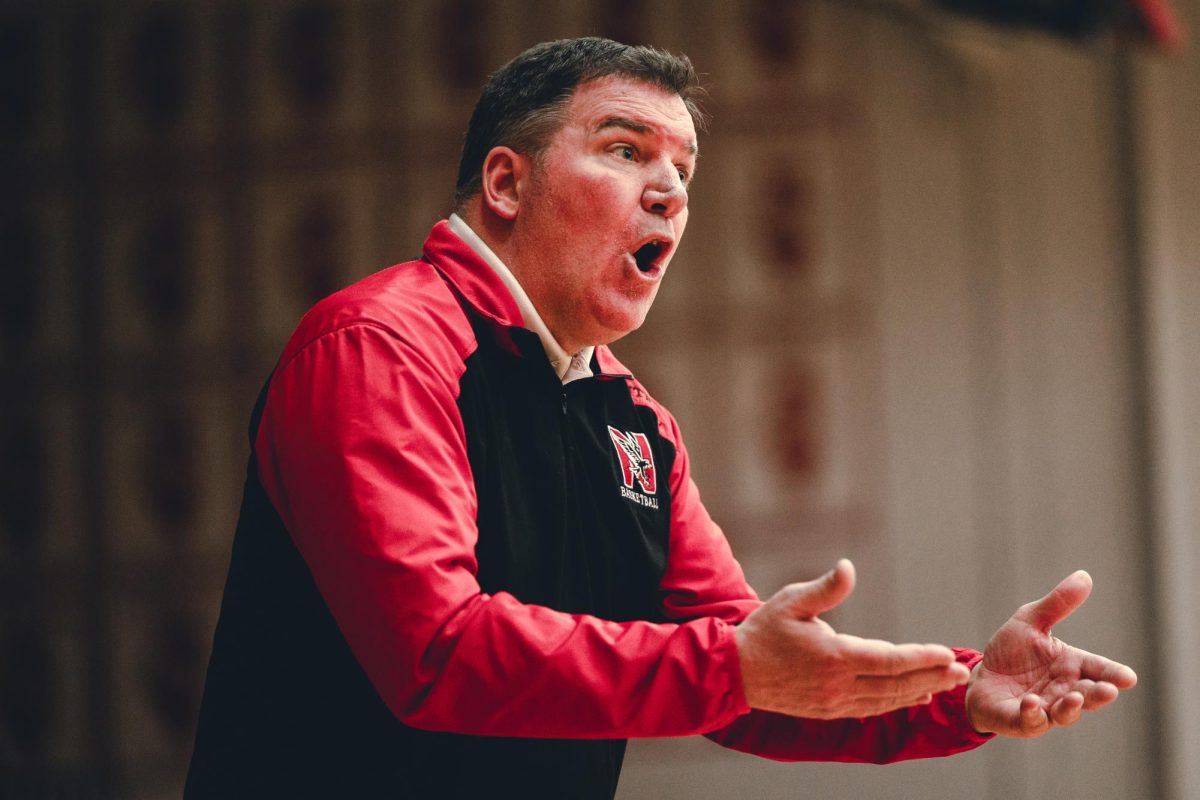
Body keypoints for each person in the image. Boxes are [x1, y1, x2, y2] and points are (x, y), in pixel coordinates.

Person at [185, 37, 1137, 799]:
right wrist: (733, 666)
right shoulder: (378, 345)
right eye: (626, 149)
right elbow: (436, 654)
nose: (672, 190)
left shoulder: (635, 422)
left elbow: (754, 679)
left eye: (684, 167)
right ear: (507, 185)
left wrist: (959, 695)